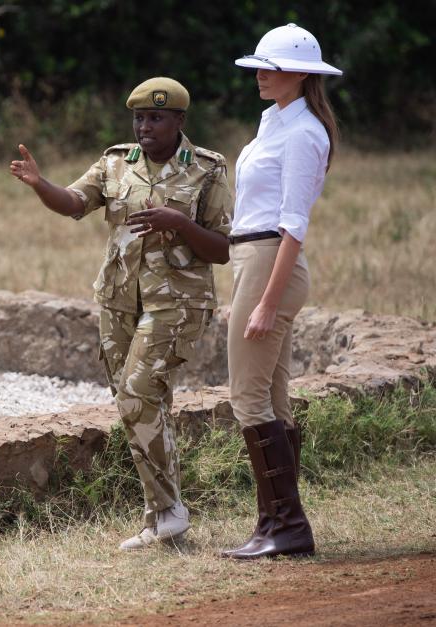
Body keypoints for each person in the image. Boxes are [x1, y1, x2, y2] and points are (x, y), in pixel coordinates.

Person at [9, 77, 232, 550]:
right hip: (117, 300)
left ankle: (169, 510)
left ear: (178, 122)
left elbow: (222, 248)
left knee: (137, 396)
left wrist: (180, 223)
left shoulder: (208, 170)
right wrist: (39, 184)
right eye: (139, 118)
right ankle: (162, 519)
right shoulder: (115, 162)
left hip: (176, 302)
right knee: (142, 407)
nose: (145, 127)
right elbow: (74, 203)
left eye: (156, 118)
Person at [221, 24, 342, 560]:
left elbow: (294, 224)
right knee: (271, 396)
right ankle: (276, 524)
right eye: (259, 66)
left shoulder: (302, 133)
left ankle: (287, 525)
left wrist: (267, 301)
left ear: (299, 75)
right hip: (255, 257)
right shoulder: (274, 122)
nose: (260, 74)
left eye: (270, 67)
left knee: (246, 395)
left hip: (272, 261)